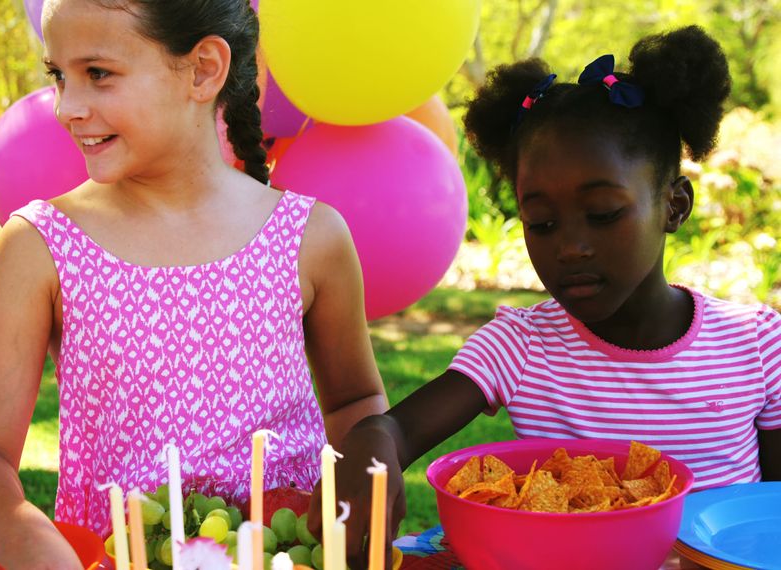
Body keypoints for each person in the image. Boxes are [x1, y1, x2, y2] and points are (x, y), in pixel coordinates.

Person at [0, 0, 387, 566]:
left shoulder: (310, 236)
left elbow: (355, 400)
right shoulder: (38, 247)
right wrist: (24, 537)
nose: (67, 108)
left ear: (202, 69)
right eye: (59, 76)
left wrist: (369, 468)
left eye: (97, 74)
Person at [321, 25, 781, 566]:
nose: (570, 247)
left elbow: (770, 513)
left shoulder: (756, 345)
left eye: (603, 214)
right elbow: (398, 428)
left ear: (674, 206)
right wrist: (374, 446)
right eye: (541, 222)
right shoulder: (522, 345)